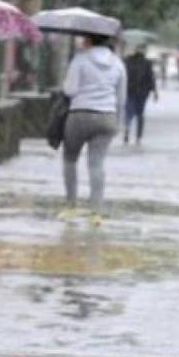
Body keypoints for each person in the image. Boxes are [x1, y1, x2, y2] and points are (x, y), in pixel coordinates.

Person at [60, 34, 126, 224]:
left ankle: (71, 206)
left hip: (79, 114)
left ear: (90, 41)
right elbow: (121, 98)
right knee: (96, 163)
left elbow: (70, 90)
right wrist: (118, 124)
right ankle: (96, 212)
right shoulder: (118, 63)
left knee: (70, 159)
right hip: (107, 117)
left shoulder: (80, 59)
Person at [123, 44, 157, 144]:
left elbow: (123, 76)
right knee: (140, 114)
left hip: (130, 90)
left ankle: (127, 129)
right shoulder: (147, 63)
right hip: (142, 92)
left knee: (129, 112)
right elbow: (151, 78)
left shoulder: (127, 61)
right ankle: (138, 136)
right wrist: (154, 91)